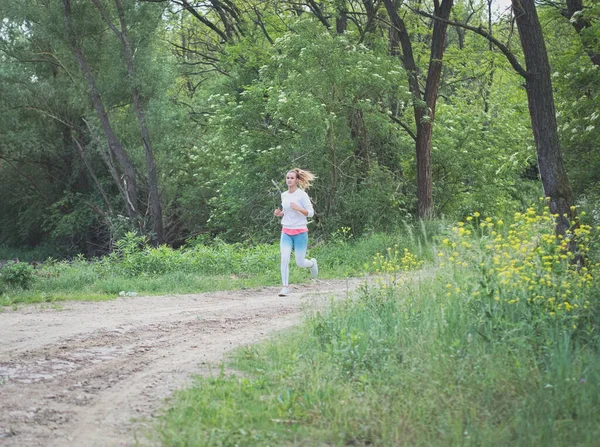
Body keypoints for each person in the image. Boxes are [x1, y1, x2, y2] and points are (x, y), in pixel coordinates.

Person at [273, 168, 318, 296]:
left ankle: (311, 263)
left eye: (292, 178)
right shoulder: (284, 195)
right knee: (284, 259)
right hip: (286, 231)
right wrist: (279, 213)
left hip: (300, 232)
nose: (289, 180)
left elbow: (311, 213)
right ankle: (285, 287)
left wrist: (298, 208)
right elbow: (285, 212)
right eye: (287, 178)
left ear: (297, 180)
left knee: (300, 262)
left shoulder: (302, 195)